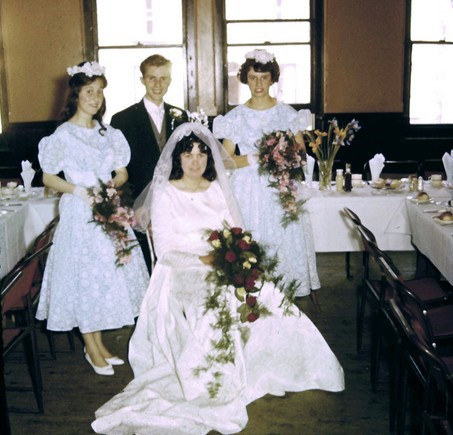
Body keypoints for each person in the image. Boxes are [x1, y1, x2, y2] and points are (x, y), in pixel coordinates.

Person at [91, 123, 344, 434]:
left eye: (201, 153)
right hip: (181, 269)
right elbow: (167, 250)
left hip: (223, 262)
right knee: (210, 306)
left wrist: (237, 256)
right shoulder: (165, 193)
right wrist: (205, 259)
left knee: (268, 295)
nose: (195, 161)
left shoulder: (216, 188)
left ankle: (269, 363)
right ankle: (215, 381)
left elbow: (234, 231)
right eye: (188, 154)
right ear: (177, 159)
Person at [36, 61, 149, 376]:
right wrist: (78, 190)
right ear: (76, 95)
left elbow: (122, 172)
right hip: (79, 213)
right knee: (85, 279)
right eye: (89, 92)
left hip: (107, 209)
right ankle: (91, 346)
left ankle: (96, 346)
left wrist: (110, 188)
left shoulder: (108, 133)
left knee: (104, 278)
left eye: (99, 92)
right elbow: (48, 177)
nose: (95, 98)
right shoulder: (63, 135)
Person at [213, 49, 321, 303]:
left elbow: (300, 154)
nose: (258, 84)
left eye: (263, 78)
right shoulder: (236, 117)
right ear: (245, 79)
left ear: (272, 79)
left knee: (283, 244)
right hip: (248, 192)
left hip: (281, 189)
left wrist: (283, 157)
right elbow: (225, 160)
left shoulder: (287, 114)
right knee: (253, 247)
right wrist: (254, 158)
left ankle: (285, 304)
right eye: (253, 78)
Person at [110, 54, 188, 272]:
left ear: (170, 80)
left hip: (176, 200)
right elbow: (121, 168)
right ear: (142, 79)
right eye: (152, 78)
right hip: (139, 205)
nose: (158, 84)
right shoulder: (122, 120)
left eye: (163, 78)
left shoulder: (181, 116)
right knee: (146, 264)